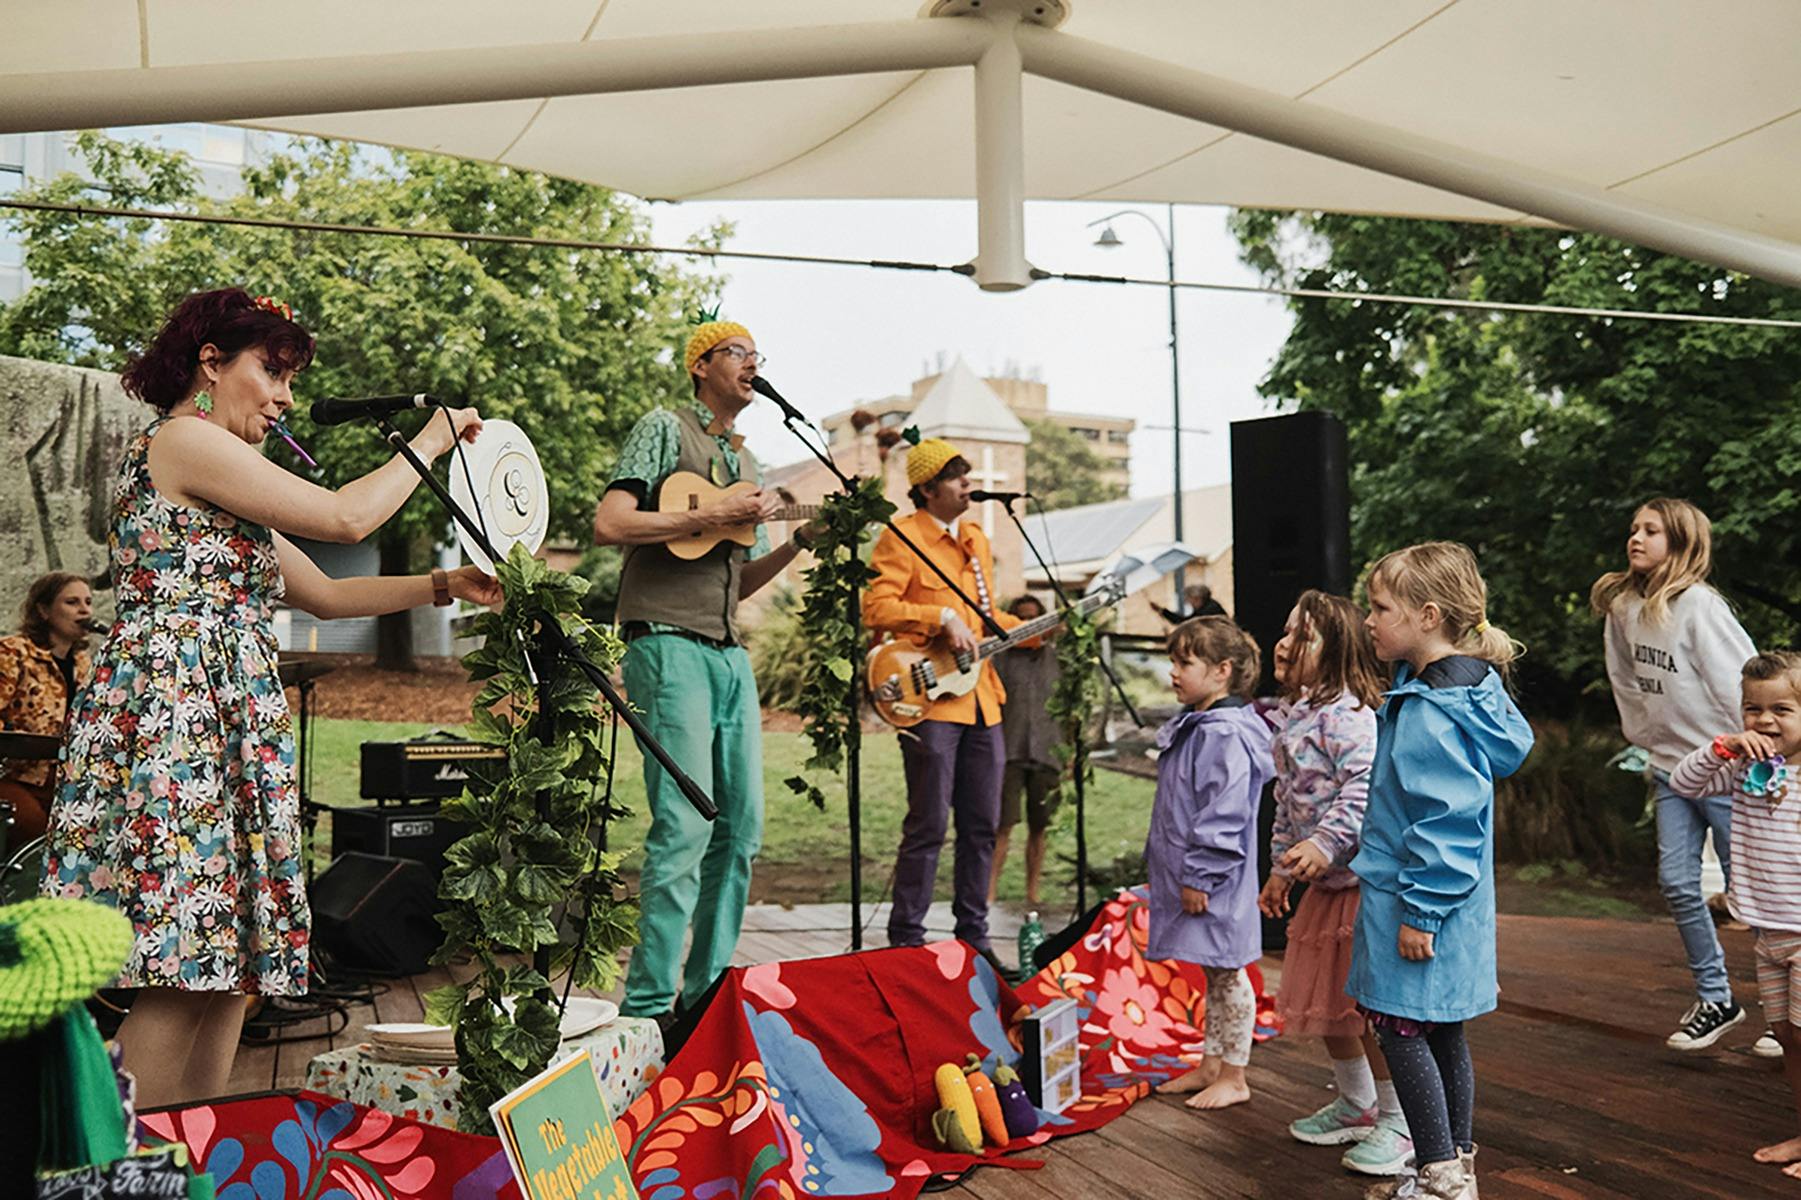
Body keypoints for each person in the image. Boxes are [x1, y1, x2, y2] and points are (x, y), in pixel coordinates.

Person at [39, 288, 499, 1108]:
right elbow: (344, 516)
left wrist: (441, 583)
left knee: (227, 973)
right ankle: (115, 1172)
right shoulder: (183, 439)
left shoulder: (228, 482)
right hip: (178, 715)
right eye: (273, 371)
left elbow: (322, 592)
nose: (285, 396)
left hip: (223, 715)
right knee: (183, 969)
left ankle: (192, 1157)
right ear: (210, 363)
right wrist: (430, 436)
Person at [593, 316, 813, 1024]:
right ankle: (650, 1006)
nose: (753, 363)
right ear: (701, 365)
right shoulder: (663, 427)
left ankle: (707, 993)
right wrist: (707, 512)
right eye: (738, 352)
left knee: (740, 829)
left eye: (758, 353)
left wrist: (801, 541)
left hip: (725, 651)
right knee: (684, 826)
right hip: (664, 643)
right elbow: (611, 523)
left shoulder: (748, 465)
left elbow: (734, 582)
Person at [1349, 541, 1534, 1200]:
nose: (1367, 620)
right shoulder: (1469, 691)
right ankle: (1453, 1168)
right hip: (1447, 907)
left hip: (1419, 905)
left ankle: (1437, 1177)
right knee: (1440, 1030)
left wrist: (1420, 912)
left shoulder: (1429, 710)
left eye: (1379, 608)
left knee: (1398, 1030)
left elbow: (1448, 820)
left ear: (1427, 616)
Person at [1591, 498, 1764, 1053]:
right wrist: (1647, 742)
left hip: (1733, 773)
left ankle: (1793, 1012)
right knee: (1677, 884)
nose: (1635, 539)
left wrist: (1761, 752)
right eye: (1633, 530)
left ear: (1682, 542)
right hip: (1671, 771)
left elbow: (1746, 682)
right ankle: (1716, 998)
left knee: (1760, 896)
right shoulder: (1623, 607)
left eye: (1651, 531)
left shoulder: (1700, 607)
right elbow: (1626, 682)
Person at [1256, 590, 1414, 1178]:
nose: (1284, 642)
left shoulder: (1348, 716)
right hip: (1324, 892)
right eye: (1286, 629)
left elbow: (1364, 788)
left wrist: (1324, 845)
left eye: (1302, 634)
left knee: (1368, 1012)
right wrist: (1278, 871)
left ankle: (1400, 1120)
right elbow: (1286, 803)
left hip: (1361, 888)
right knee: (1329, 1011)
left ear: (1337, 651)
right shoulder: (1293, 716)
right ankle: (1356, 1103)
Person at [863, 438, 1026, 957]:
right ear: (928, 489)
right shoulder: (902, 536)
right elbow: (878, 607)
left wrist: (1035, 628)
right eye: (957, 477)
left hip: (983, 698)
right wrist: (938, 617)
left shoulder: (976, 539)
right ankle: (907, 939)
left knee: (982, 824)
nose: (968, 484)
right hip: (930, 701)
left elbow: (985, 617)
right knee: (929, 822)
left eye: (967, 474)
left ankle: (973, 938)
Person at [1668, 651, 1801, 1178]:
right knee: (1787, 1037)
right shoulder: (1745, 768)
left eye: (1782, 709)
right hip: (1768, 932)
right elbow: (1684, 783)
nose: (1764, 721)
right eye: (1752, 709)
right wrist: (1720, 748)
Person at [1147, 616, 1273, 1111]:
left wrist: (1199, 873)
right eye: (1172, 661)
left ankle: (1236, 1075)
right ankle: (1211, 1065)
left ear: (1222, 671)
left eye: (1185, 662)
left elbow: (1224, 811)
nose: (1173, 672)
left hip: (1216, 879)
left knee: (1230, 972)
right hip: (1198, 875)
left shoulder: (1224, 734)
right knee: (1214, 974)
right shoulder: (1201, 726)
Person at [0, 573, 94, 844]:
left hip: (64, 778)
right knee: (34, 828)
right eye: (72, 602)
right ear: (43, 610)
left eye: (88, 602)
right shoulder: (13, 653)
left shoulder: (84, 664)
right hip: (15, 776)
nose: (84, 610)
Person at [988, 593, 1061, 908]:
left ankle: (1033, 892)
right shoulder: (999, 660)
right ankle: (988, 892)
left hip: (1047, 752)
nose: (1028, 625)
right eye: (1021, 619)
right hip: (1009, 751)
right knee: (1002, 824)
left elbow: (1070, 711)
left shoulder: (1059, 660)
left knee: (1039, 826)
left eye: (1034, 618)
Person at [1156, 581, 1227, 625]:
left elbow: (1185, 623)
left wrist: (1163, 612)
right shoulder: (1206, 607)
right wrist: (1162, 611)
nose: (1187, 602)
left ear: (1197, 598)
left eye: (1188, 598)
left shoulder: (1208, 611)